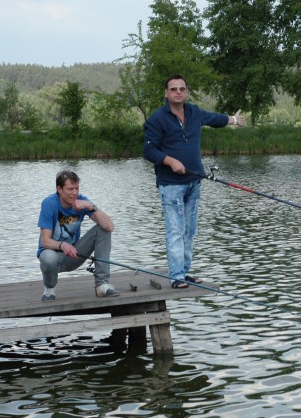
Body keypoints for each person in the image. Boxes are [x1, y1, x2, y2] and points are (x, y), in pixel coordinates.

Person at [143, 74, 244, 288]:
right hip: (171, 185)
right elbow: (149, 150)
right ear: (166, 93)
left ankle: (184, 272)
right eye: (173, 89)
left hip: (194, 182)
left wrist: (233, 120)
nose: (178, 92)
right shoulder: (157, 119)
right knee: (176, 230)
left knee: (190, 230)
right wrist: (170, 161)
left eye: (182, 89)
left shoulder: (194, 112)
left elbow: (215, 119)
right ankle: (176, 276)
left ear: (186, 92)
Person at [36, 170, 118, 301]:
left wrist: (90, 207)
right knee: (48, 257)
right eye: (70, 189)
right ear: (59, 189)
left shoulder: (82, 202)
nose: (74, 193)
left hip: (75, 254)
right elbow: (45, 241)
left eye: (76, 188)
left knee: (103, 229)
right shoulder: (49, 203)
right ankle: (49, 288)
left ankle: (101, 284)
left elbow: (109, 226)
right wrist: (62, 245)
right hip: (54, 258)